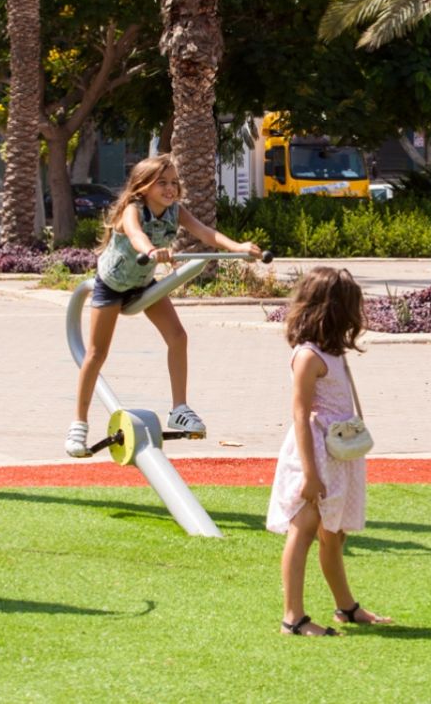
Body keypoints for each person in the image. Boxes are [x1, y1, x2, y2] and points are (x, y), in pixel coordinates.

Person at [67, 155, 262, 456]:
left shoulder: (174, 211)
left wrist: (239, 248)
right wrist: (151, 250)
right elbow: (135, 235)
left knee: (178, 336)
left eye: (174, 183)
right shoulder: (132, 210)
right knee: (96, 353)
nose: (170, 189)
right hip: (112, 286)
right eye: (162, 183)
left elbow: (205, 232)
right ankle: (78, 425)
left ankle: (179, 409)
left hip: (142, 285)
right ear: (143, 187)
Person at [267, 267, 391, 636]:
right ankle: (293, 617)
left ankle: (347, 607)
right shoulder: (307, 356)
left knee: (333, 534)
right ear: (333, 311)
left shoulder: (332, 353)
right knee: (303, 529)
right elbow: (300, 416)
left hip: (337, 457)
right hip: (316, 456)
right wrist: (309, 473)